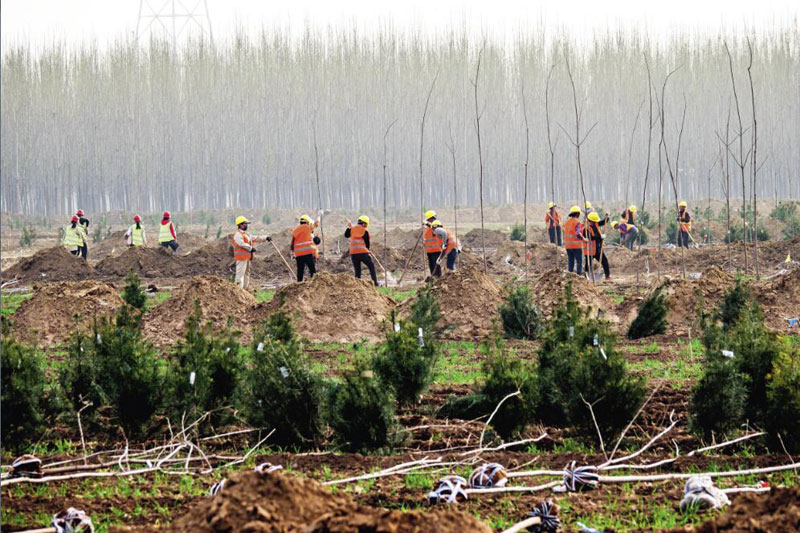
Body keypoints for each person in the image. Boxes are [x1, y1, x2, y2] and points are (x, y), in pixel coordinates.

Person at [232, 216, 268, 290]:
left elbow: (255, 238)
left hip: (247, 257)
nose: (247, 225)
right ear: (241, 224)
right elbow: (241, 243)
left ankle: (245, 290)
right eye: (245, 224)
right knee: (240, 275)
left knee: (246, 274)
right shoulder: (237, 234)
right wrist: (251, 248)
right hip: (241, 258)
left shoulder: (246, 234)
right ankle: (238, 291)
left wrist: (265, 238)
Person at [345, 215, 378, 286]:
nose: (366, 226)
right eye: (366, 225)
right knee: (371, 266)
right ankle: (375, 283)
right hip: (363, 253)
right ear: (363, 223)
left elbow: (346, 235)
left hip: (353, 254)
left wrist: (349, 227)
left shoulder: (352, 229)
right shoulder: (364, 231)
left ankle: (357, 286)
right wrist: (368, 250)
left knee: (357, 271)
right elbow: (367, 244)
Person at [291, 214, 320, 282]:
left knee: (300, 271)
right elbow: (316, 224)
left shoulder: (296, 230)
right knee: (312, 270)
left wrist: (293, 252)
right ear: (307, 222)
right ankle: (314, 284)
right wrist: (319, 215)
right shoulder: (308, 227)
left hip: (298, 254)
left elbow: (293, 242)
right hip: (307, 253)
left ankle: (299, 284)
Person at [584, 211, 611, 280]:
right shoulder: (586, 228)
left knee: (604, 261)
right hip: (590, 251)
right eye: (594, 221)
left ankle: (607, 276)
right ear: (590, 220)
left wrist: (606, 218)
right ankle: (586, 278)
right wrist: (600, 236)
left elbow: (602, 222)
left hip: (598, 249)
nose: (595, 222)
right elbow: (591, 237)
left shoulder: (595, 224)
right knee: (588, 265)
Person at [423, 210, 448, 277]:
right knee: (431, 266)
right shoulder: (428, 228)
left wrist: (427, 224)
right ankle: (433, 277)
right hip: (429, 250)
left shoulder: (437, 225)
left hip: (436, 250)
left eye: (428, 219)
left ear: (432, 218)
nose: (428, 220)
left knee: (436, 266)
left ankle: (438, 278)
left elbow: (434, 228)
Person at [564, 206, 585, 275]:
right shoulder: (577, 222)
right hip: (576, 246)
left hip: (568, 246)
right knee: (579, 261)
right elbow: (577, 233)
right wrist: (584, 239)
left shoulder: (567, 222)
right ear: (577, 214)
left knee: (571, 261)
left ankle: (570, 275)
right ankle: (579, 276)